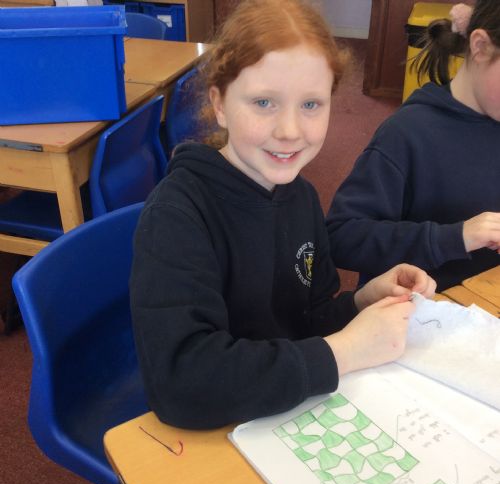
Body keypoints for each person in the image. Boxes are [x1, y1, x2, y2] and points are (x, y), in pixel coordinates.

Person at [129, 0, 436, 431]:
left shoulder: (301, 196)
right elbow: (181, 384)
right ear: (219, 103)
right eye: (264, 102)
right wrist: (344, 351)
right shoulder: (177, 216)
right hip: (217, 428)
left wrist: (361, 302)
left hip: (285, 412)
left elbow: (307, 318)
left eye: (311, 105)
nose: (290, 130)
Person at [326, 0, 500, 292]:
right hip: (421, 309)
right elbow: (341, 236)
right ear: (480, 47)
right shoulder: (407, 134)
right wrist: (454, 238)